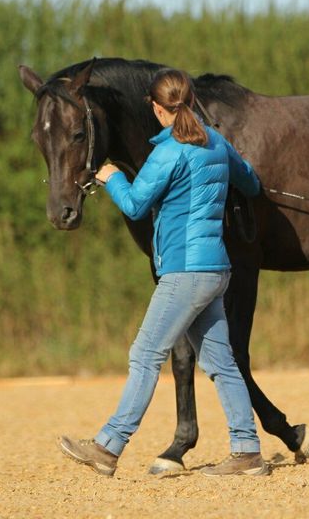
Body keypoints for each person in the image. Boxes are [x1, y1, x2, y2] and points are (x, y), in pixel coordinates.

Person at [57, 68, 267, 477]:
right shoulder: (217, 142)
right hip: (214, 269)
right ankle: (247, 451)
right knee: (221, 362)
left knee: (145, 354)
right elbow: (252, 184)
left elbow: (136, 206)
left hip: (184, 272)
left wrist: (113, 177)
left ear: (156, 108)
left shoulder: (168, 152)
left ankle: (108, 446)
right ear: (189, 102)